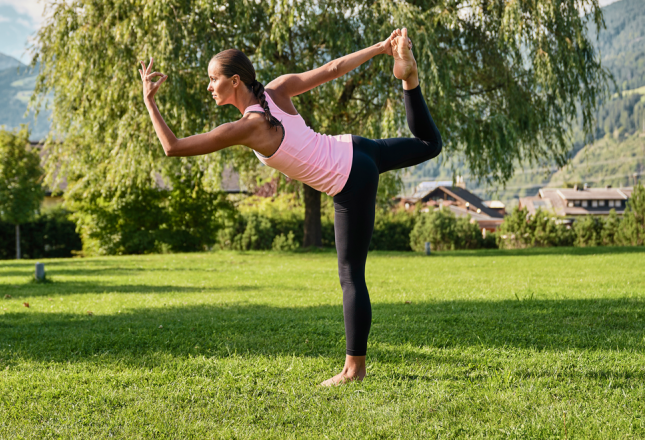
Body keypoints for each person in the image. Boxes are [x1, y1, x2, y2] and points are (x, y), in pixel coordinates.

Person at [139, 28, 441, 386]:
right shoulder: (277, 90)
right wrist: (380, 48)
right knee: (428, 143)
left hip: (349, 178)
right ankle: (410, 79)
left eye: (212, 79)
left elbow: (173, 147)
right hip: (356, 148)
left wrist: (150, 102)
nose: (209, 87)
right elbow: (332, 69)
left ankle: (353, 370)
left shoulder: (248, 126)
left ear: (234, 81)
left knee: (350, 275)